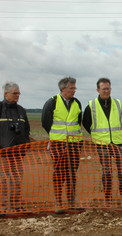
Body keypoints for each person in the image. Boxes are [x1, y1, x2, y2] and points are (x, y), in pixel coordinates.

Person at [82, 77, 122, 207]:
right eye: (103, 89)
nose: (106, 91)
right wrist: (97, 135)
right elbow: (86, 123)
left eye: (108, 88)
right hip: (102, 144)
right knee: (107, 172)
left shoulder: (118, 103)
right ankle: (107, 199)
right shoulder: (91, 106)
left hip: (118, 143)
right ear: (98, 90)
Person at [42, 76, 83, 212]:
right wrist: (57, 136)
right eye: (72, 88)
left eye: (74, 88)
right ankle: (58, 203)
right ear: (63, 89)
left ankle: (71, 202)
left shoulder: (77, 103)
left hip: (74, 144)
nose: (74, 90)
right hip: (58, 144)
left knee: (72, 173)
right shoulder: (52, 102)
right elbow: (45, 122)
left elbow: (78, 122)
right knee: (59, 173)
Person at [0, 81, 30, 213]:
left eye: (19, 93)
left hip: (18, 152)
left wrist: (25, 142)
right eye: (14, 93)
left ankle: (16, 204)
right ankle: (3, 206)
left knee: (17, 179)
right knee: (3, 180)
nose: (17, 95)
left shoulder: (21, 110)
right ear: (6, 94)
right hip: (3, 152)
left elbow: (27, 129)